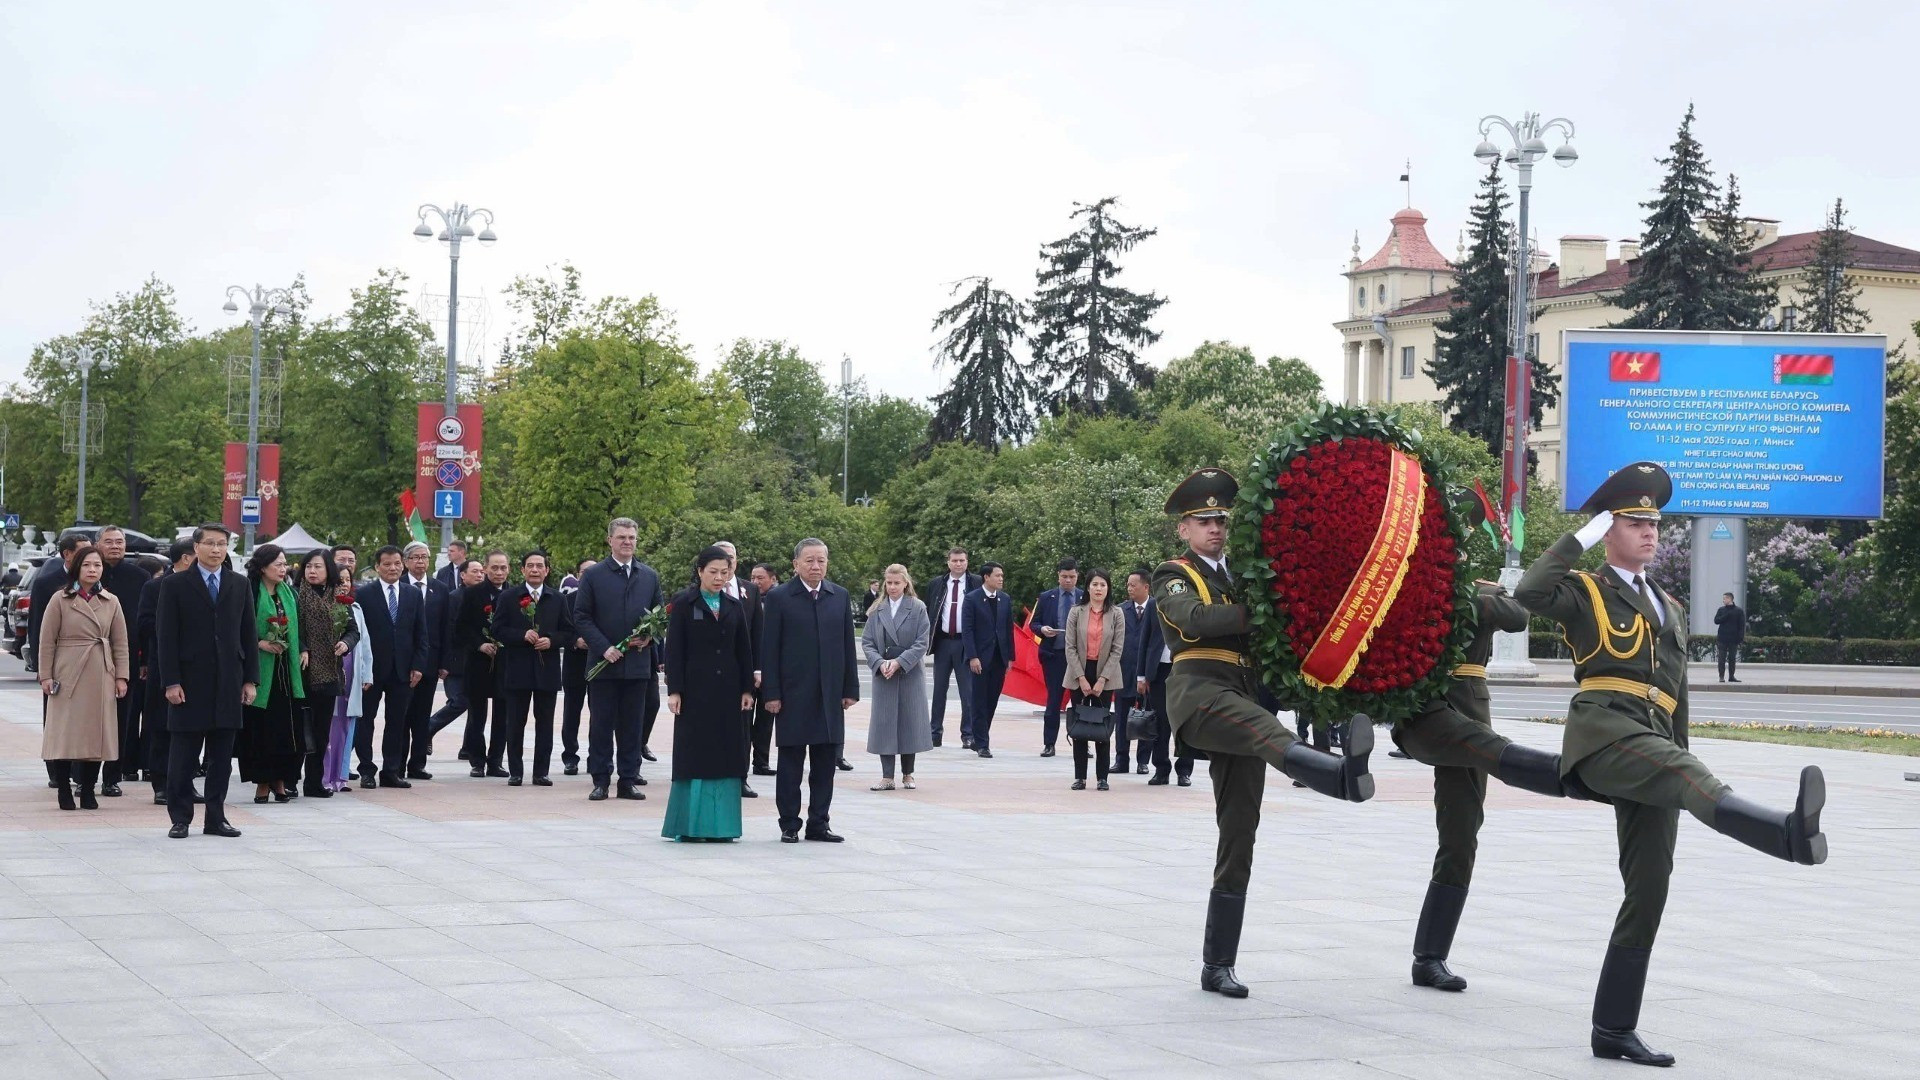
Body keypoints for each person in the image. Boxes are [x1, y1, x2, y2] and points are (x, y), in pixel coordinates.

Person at [1516, 461, 1827, 1067]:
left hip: (1655, 741)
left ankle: (1613, 1027)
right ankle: (1784, 834)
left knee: (1650, 885)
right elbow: (1528, 592)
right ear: (1609, 529)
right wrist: (1578, 535)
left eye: (1653, 523)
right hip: (1605, 732)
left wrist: (1681, 748)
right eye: (1634, 522)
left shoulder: (1671, 606)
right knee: (1688, 779)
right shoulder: (1584, 589)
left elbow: (1678, 694)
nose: (1649, 533)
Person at [1152, 469, 1375, 1000]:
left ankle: (1217, 964)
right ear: (1183, 529)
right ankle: (1337, 774)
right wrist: (1262, 612)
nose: (1215, 529)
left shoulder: (1244, 575)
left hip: (1240, 696)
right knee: (1263, 727)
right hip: (1202, 695)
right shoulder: (1173, 573)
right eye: (1204, 521)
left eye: (1221, 521)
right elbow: (1194, 621)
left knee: (1239, 836)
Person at [1394, 495, 1585, 993]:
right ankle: (1563, 775)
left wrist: (1463, 595)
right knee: (1483, 747)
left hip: (1470, 711)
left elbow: (1519, 616)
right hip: (1426, 714)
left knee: (1460, 837)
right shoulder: (1407, 587)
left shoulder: (1476, 590)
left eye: (1456, 538)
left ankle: (1429, 957)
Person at [155, 524, 259, 838]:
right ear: (196, 546)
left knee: (221, 758)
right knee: (183, 756)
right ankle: (181, 818)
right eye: (210, 543)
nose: (216, 550)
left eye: (222, 544)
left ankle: (215, 817)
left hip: (228, 681)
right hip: (188, 682)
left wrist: (250, 680)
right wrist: (171, 681)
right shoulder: (174, 585)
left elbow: (248, 634)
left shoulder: (239, 584)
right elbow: (166, 637)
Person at [760, 538, 860, 842]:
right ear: (796, 565)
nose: (816, 566)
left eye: (821, 561)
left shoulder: (838, 596)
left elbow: (847, 643)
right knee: (790, 763)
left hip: (829, 695)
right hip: (792, 694)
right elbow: (770, 650)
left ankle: (819, 822)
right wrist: (772, 693)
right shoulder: (779, 598)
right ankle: (789, 823)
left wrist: (849, 688)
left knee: (824, 764)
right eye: (810, 561)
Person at [662, 546, 756, 840]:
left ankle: (722, 827)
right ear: (700, 571)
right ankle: (691, 826)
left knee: (727, 754)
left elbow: (744, 650)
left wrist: (746, 688)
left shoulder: (733, 604)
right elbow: (674, 649)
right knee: (695, 754)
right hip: (694, 692)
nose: (718, 577)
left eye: (724, 572)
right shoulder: (684, 603)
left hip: (728, 692)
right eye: (713, 572)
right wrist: (674, 689)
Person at [573, 517, 663, 801]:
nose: (627, 542)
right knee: (601, 725)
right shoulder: (594, 575)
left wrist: (650, 638)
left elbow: (659, 615)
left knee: (632, 726)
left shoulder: (649, 575)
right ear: (610, 540)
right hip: (604, 666)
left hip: (637, 665)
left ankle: (627, 779)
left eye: (632, 538)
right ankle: (600, 780)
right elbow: (581, 616)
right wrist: (604, 647)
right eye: (622, 537)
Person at [39, 546, 130, 811]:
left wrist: (121, 676)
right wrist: (46, 675)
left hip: (101, 671)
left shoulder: (111, 601)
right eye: (88, 565)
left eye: (97, 565)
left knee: (96, 735)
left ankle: (89, 788)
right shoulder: (60, 599)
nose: (93, 570)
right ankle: (65, 788)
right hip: (67, 671)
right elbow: (47, 641)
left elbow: (120, 642)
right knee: (64, 734)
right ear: (77, 567)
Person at [491, 550, 572, 785]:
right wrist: (520, 635)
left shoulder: (558, 599)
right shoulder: (508, 597)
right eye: (530, 566)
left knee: (545, 724)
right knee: (515, 722)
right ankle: (516, 771)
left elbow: (568, 632)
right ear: (522, 570)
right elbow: (498, 629)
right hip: (517, 669)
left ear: (547, 570)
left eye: (540, 566)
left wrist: (551, 640)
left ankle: (541, 772)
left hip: (547, 671)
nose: (535, 570)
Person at [353, 546, 428, 789]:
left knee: (397, 721)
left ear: (403, 564)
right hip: (372, 670)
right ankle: (366, 770)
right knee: (366, 721)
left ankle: (391, 770)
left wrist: (418, 664)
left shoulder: (412, 594)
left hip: (403, 669)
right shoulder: (364, 594)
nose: (392, 568)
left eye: (397, 563)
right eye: (387, 564)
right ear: (377, 567)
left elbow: (421, 632)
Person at [238, 544, 305, 805]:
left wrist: (303, 649)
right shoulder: (249, 591)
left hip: (286, 672)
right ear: (262, 566)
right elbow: (238, 627)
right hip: (259, 670)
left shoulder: (288, 592)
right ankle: (262, 783)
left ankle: (281, 781)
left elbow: (300, 626)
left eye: (284, 563)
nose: (283, 568)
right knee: (260, 728)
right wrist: (259, 643)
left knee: (285, 728)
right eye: (277, 563)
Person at [292, 550, 356, 798]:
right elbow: (293, 628)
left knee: (320, 731)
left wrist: (346, 644)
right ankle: (290, 779)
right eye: (308, 566)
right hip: (302, 671)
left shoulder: (338, 598)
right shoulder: (295, 595)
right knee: (299, 728)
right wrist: (303, 648)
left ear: (328, 569)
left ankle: (314, 782)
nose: (312, 571)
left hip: (329, 673)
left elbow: (353, 630)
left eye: (318, 566)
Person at [864, 564, 931, 790]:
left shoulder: (918, 607)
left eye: (896, 583)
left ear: (905, 583)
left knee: (909, 721)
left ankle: (908, 774)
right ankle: (886, 776)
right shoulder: (877, 609)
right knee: (885, 723)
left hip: (909, 672)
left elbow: (923, 642)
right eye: (889, 583)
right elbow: (867, 642)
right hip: (884, 673)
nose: (892, 587)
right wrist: (880, 663)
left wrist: (900, 662)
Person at [139, 540, 197, 804]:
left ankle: (186, 781)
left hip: (196, 668)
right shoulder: (155, 586)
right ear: (186, 558)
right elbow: (145, 623)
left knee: (193, 728)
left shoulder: (203, 586)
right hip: (163, 665)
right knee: (162, 726)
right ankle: (160, 782)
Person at [30, 532, 87, 790]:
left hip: (89, 664)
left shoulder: (96, 581)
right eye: (83, 551)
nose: (90, 558)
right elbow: (37, 627)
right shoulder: (46, 583)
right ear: (67, 554)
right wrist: (41, 667)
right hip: (58, 662)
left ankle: (81, 771)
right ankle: (55, 769)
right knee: (55, 716)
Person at [444, 552, 509, 776]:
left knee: (503, 715)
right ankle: (477, 761)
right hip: (477, 661)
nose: (499, 572)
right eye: (494, 568)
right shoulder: (472, 594)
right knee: (477, 715)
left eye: (503, 568)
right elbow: (460, 629)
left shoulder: (514, 594)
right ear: (486, 569)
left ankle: (496, 761)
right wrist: (480, 645)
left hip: (504, 663)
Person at [97, 526, 149, 797]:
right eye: (109, 542)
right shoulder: (90, 572)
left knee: (122, 718)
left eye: (120, 542)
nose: (115, 546)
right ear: (98, 545)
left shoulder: (140, 576)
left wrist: (145, 659)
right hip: (91, 657)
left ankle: (112, 776)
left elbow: (146, 621)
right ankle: (83, 773)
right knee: (90, 718)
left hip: (127, 655)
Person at [1062, 569, 1125, 791]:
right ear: (1088, 587)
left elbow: (1117, 650)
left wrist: (1102, 680)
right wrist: (1080, 677)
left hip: (1105, 674)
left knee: (1101, 726)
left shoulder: (1116, 613)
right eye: (1095, 584)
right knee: (1080, 725)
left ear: (1108, 588)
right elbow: (1069, 647)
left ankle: (1102, 777)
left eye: (1103, 585)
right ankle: (1080, 776)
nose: (1099, 589)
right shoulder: (1076, 612)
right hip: (1079, 672)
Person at [711, 542, 764, 798]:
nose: (727, 564)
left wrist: (757, 669)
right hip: (711, 673)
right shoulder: (700, 592)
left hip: (742, 672)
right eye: (721, 559)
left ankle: (740, 777)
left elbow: (757, 633)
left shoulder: (750, 590)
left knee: (743, 727)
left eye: (730, 558)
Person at [399, 541, 451, 779]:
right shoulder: (398, 586)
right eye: (416, 558)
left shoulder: (440, 589)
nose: (420, 562)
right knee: (401, 714)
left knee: (422, 715)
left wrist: (444, 662)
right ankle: (396, 763)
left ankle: (417, 764)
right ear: (406, 561)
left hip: (430, 661)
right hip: (403, 661)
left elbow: (445, 626)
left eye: (424, 557)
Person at [324, 565, 374, 793]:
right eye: (339, 579)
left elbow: (364, 644)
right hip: (330, 669)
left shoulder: (356, 608)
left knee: (347, 724)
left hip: (352, 672)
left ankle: (341, 776)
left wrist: (367, 674)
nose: (343, 583)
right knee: (329, 725)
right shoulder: (324, 606)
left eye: (347, 579)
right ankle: (325, 775)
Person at [426, 557, 482, 757]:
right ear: (463, 575)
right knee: (459, 701)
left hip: (477, 662)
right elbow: (447, 631)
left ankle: (468, 748)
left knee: (476, 705)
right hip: (455, 663)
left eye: (481, 571)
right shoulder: (453, 598)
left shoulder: (484, 597)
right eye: (474, 571)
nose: (479, 575)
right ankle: (428, 728)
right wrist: (445, 662)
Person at [927, 547, 979, 749]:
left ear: (967, 562)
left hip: (966, 643)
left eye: (962, 560)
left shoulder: (975, 583)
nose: (958, 564)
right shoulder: (937, 584)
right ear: (948, 562)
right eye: (955, 560)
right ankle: (934, 733)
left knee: (968, 691)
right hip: (942, 642)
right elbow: (929, 611)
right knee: (939, 689)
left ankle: (968, 734)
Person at [963, 563, 1015, 758]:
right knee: (979, 701)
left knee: (992, 700)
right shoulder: (972, 599)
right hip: (980, 658)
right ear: (986, 577)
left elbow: (1008, 628)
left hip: (999, 658)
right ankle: (983, 743)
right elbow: (967, 630)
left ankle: (979, 736)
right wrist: (973, 656)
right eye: (998, 575)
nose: (1001, 579)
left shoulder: (1005, 599)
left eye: (1002, 575)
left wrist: (1010, 656)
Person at [1032, 558, 1081, 757]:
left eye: (1072, 577)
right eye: (1064, 577)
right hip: (1054, 655)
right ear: (1058, 576)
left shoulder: (1084, 596)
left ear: (1077, 576)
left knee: (1080, 702)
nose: (1068, 580)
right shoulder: (1047, 597)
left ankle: (1081, 743)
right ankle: (1049, 743)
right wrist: (1042, 629)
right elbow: (1034, 623)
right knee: (1054, 701)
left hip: (1079, 657)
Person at [1113, 569, 1153, 776]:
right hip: (1123, 672)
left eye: (1133, 585)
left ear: (1146, 587)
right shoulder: (1120, 610)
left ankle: (1143, 761)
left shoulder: (1157, 609)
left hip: (1147, 673)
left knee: (1146, 716)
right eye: (1128, 584)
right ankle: (1121, 760)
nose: (1129, 588)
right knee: (1121, 718)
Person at [559, 557, 596, 775]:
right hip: (574, 662)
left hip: (599, 662)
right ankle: (570, 757)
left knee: (599, 712)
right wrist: (575, 640)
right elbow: (559, 629)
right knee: (572, 711)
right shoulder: (566, 600)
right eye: (585, 572)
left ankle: (596, 757)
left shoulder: (604, 598)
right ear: (577, 575)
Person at [747, 562, 782, 775]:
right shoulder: (746, 598)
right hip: (749, 667)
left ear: (773, 579)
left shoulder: (778, 601)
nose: (755, 582)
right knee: (744, 718)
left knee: (765, 718)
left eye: (760, 578)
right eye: (753, 577)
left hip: (770, 668)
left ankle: (761, 761)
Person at [1714, 591, 1746, 683]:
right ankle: (1721, 676)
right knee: (1721, 658)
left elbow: (1741, 625)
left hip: (1734, 639)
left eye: (1725, 598)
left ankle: (1731, 676)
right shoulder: (1721, 610)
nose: (1723, 600)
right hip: (1722, 638)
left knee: (1732, 658)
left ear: (1730, 599)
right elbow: (1716, 621)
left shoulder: (1738, 611)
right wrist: (1725, 616)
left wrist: (1740, 638)